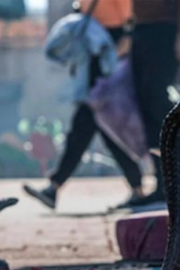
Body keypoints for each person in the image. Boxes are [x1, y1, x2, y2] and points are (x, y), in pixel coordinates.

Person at [24, 0, 146, 210]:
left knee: (87, 126)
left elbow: (131, 26)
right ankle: (136, 188)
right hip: (95, 58)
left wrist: (112, 60)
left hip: (109, 61)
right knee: (103, 130)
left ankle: (55, 186)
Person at [128, 0, 180, 205]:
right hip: (140, 29)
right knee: (144, 105)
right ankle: (164, 186)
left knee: (155, 96)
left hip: (166, 28)